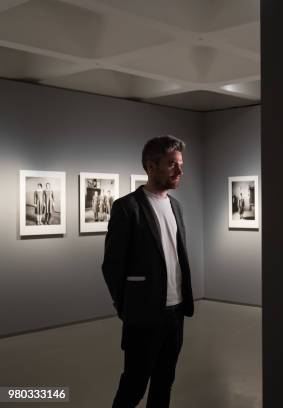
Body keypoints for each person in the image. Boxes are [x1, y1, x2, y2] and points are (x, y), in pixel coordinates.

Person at [102, 135, 194, 408]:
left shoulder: (176, 206)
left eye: (180, 164)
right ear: (151, 167)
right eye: (172, 164)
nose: (179, 170)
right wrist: (127, 306)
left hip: (176, 312)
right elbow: (112, 265)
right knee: (134, 385)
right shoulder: (127, 207)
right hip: (143, 315)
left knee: (165, 382)